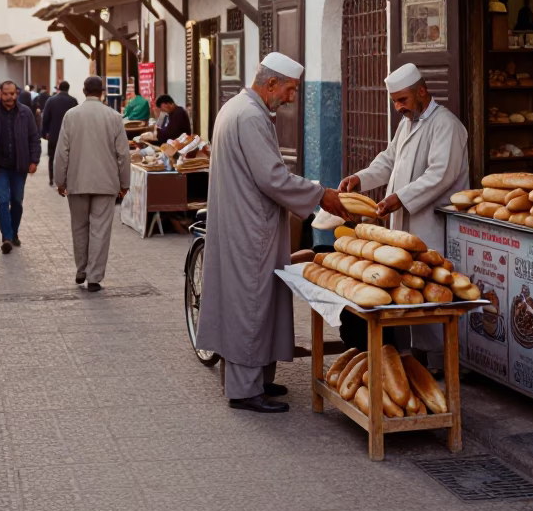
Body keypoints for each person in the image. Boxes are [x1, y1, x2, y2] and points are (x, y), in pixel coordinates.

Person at [195, 53, 349, 413]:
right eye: (291, 89)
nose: (293, 97)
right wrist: (320, 194)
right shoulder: (250, 116)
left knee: (258, 301)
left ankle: (259, 380)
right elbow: (271, 178)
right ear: (271, 84)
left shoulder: (238, 108)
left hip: (243, 219)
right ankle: (245, 391)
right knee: (251, 302)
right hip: (251, 226)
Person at [339, 62, 469, 371]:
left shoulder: (446, 125)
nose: (398, 107)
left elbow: (441, 174)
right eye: (395, 101)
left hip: (431, 225)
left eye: (403, 100)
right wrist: (360, 178)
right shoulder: (409, 122)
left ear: (422, 91)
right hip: (406, 224)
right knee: (411, 291)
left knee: (434, 294)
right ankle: (419, 364)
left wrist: (401, 197)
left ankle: (445, 367)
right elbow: (388, 160)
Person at [54, 76, 131, 291]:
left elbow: (62, 151)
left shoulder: (71, 115)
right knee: (100, 229)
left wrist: (60, 180)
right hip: (106, 182)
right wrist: (125, 183)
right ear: (103, 92)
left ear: (84, 90)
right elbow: (123, 154)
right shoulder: (114, 117)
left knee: (79, 227)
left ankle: (81, 269)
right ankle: (94, 277)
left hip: (77, 181)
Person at [0, 80, 40, 253]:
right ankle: (6, 237)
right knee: (3, 201)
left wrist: (34, 160)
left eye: (12, 94)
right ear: (0, 93)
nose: (9, 97)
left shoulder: (25, 113)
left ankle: (14, 232)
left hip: (20, 166)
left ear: (16, 94)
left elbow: (34, 138)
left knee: (17, 201)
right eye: (6, 94)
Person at [40, 81, 78, 186]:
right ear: (68, 88)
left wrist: (44, 132)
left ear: (59, 88)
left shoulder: (51, 100)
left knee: (52, 157)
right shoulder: (73, 101)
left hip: (54, 133)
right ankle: (67, 179)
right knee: (69, 157)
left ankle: (52, 178)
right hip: (69, 134)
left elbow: (45, 118)